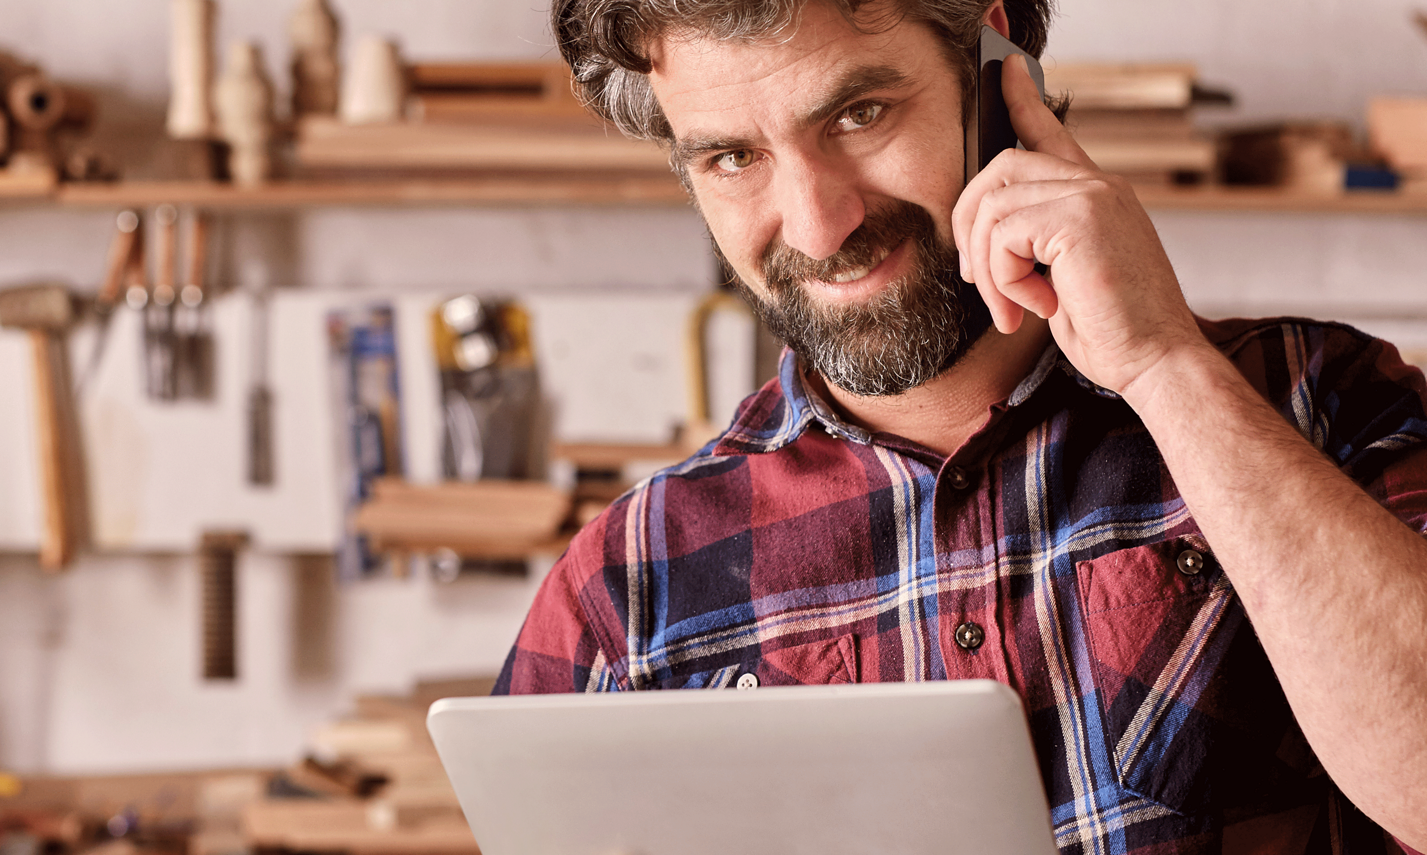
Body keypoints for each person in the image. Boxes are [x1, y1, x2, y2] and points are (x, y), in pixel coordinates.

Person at [494, 0, 1427, 851]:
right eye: (734, 157)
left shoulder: (1324, 402)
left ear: (994, 69)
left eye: (860, 115)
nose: (818, 226)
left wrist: (1163, 366)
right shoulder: (624, 597)